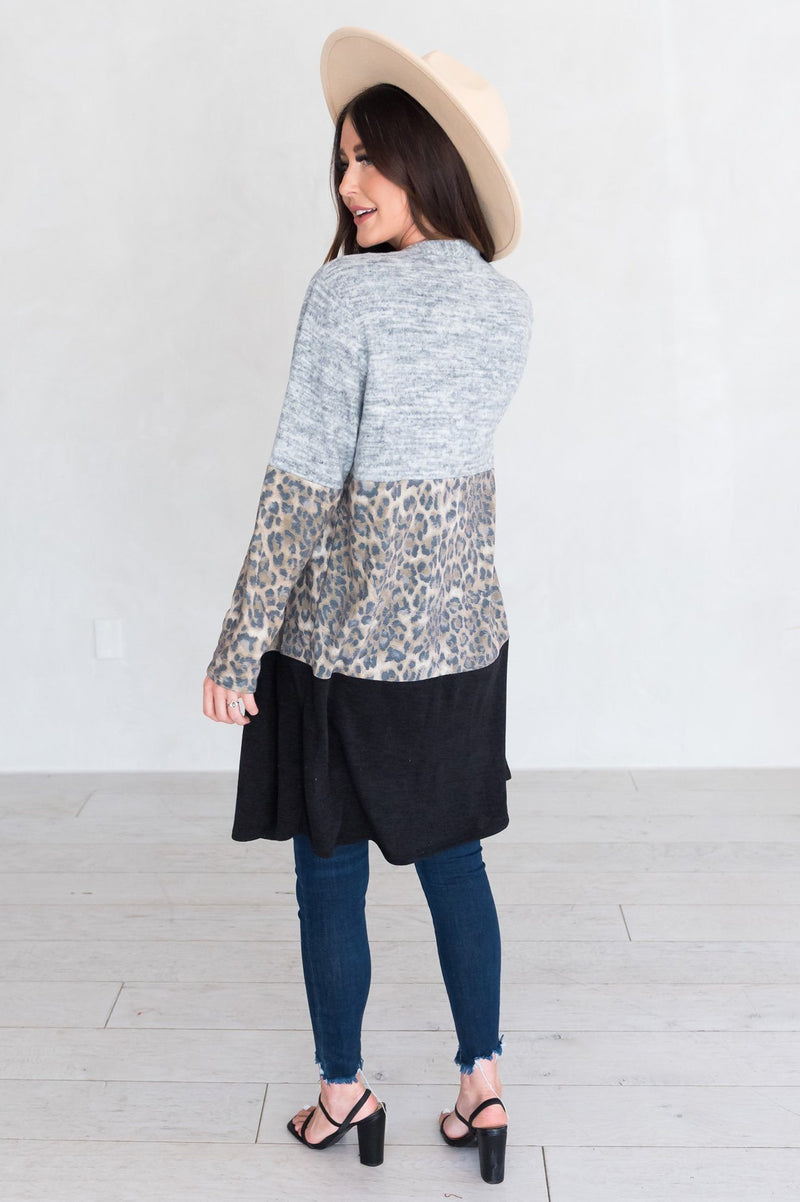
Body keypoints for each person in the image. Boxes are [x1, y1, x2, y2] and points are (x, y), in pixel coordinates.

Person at [202, 26, 533, 1186]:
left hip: (339, 651)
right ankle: (483, 1080)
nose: (348, 183)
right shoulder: (506, 307)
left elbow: (302, 485)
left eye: (370, 157)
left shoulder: (345, 294)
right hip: (462, 639)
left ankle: (343, 1089)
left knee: (329, 872)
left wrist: (238, 644)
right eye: (342, 159)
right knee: (456, 864)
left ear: (428, 157)